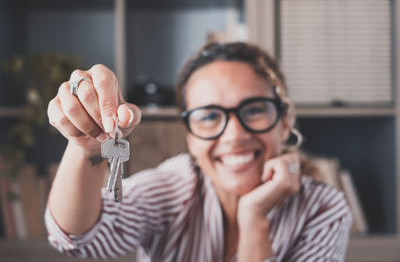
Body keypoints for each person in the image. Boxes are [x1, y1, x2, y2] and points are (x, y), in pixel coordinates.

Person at [45, 42, 352, 262]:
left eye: (254, 109)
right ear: (189, 137)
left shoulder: (322, 208)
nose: (234, 134)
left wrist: (253, 219)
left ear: (285, 122)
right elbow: (77, 238)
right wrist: (87, 145)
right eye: (209, 116)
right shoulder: (172, 186)